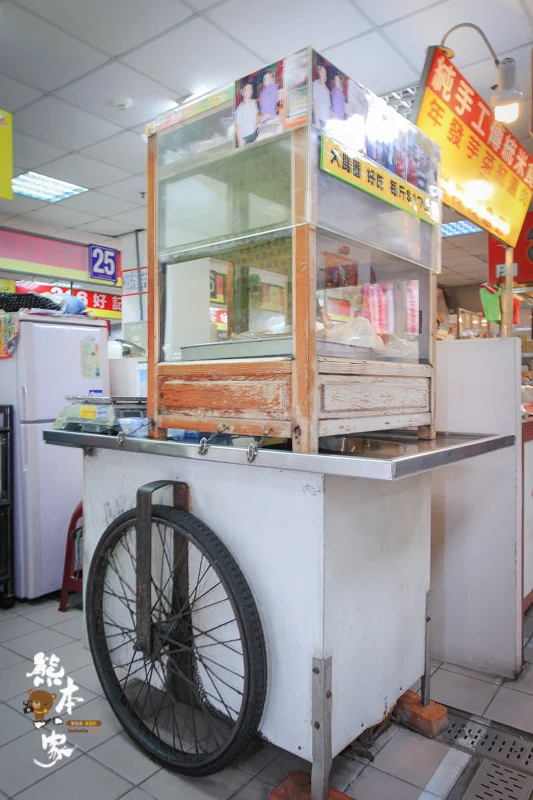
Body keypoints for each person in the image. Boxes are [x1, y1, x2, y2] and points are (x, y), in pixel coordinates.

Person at [235, 83, 259, 147]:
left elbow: (256, 114)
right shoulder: (239, 109)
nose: (250, 91)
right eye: (248, 89)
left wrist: (258, 123)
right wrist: (240, 140)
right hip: (246, 137)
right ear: (243, 93)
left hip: (254, 133)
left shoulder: (254, 102)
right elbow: (237, 126)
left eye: (251, 89)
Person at [312, 64, 331, 129]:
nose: (321, 73)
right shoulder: (315, 84)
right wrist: (316, 120)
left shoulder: (327, 90)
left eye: (323, 72)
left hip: (326, 122)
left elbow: (329, 107)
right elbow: (314, 102)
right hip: (319, 119)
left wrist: (330, 122)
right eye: (321, 71)